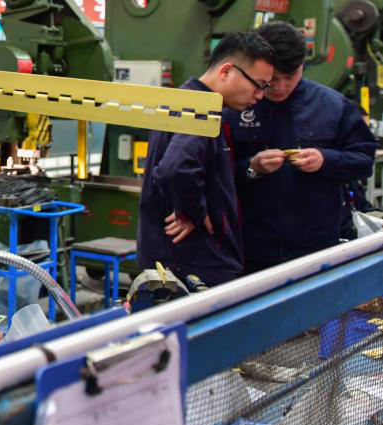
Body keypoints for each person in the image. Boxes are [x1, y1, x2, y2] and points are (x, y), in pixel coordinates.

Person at [227, 21, 377, 272]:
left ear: (302, 66)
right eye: (273, 79)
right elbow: (214, 175)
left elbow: (364, 162)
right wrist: (251, 168)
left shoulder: (333, 106)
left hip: (320, 248)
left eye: (290, 77)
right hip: (253, 249)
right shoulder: (236, 108)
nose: (280, 87)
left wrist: (326, 160)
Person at [137, 31, 276, 286]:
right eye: (259, 85)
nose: (260, 95)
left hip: (177, 261)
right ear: (226, 71)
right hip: (193, 264)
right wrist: (194, 212)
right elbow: (175, 169)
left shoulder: (184, 100)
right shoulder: (199, 110)